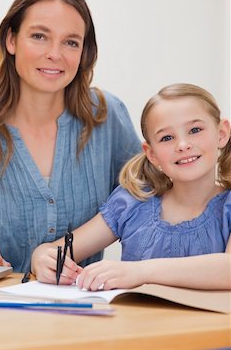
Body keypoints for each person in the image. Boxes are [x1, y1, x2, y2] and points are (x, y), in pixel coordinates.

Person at [0, 0, 141, 272]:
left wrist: (63, 250)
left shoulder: (107, 118)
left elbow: (144, 201)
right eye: (39, 36)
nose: (55, 54)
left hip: (83, 313)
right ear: (11, 40)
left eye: (71, 42)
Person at [32, 83, 231, 290]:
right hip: (134, 322)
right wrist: (41, 259)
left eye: (195, 130)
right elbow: (54, 250)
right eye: (167, 138)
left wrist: (140, 272)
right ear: (151, 154)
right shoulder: (133, 202)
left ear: (222, 133)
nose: (182, 145)